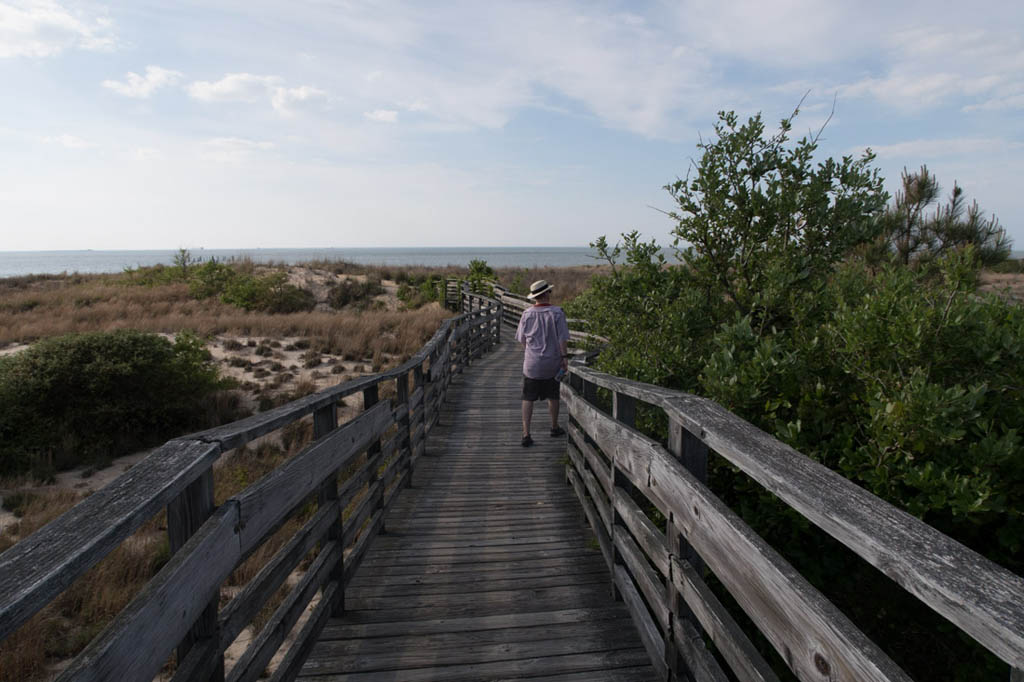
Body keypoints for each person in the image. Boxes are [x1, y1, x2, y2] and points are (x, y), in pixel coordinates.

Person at [515, 279, 570, 447]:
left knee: (528, 397)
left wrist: (531, 351)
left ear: (535, 297)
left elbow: (521, 339)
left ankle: (526, 434)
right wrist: (564, 358)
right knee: (553, 395)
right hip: (552, 363)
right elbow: (562, 339)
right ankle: (554, 427)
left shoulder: (527, 314)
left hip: (532, 364)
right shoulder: (557, 313)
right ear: (546, 294)